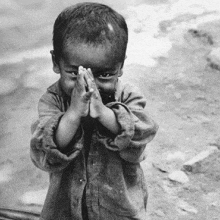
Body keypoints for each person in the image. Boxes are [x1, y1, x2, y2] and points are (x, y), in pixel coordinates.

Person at [30, 2, 158, 220]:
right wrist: (72, 114)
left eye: (105, 75)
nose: (90, 86)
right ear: (56, 62)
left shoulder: (128, 95)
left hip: (118, 206)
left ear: (120, 67)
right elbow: (44, 153)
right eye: (75, 74)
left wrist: (103, 113)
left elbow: (141, 136)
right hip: (66, 208)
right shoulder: (52, 100)